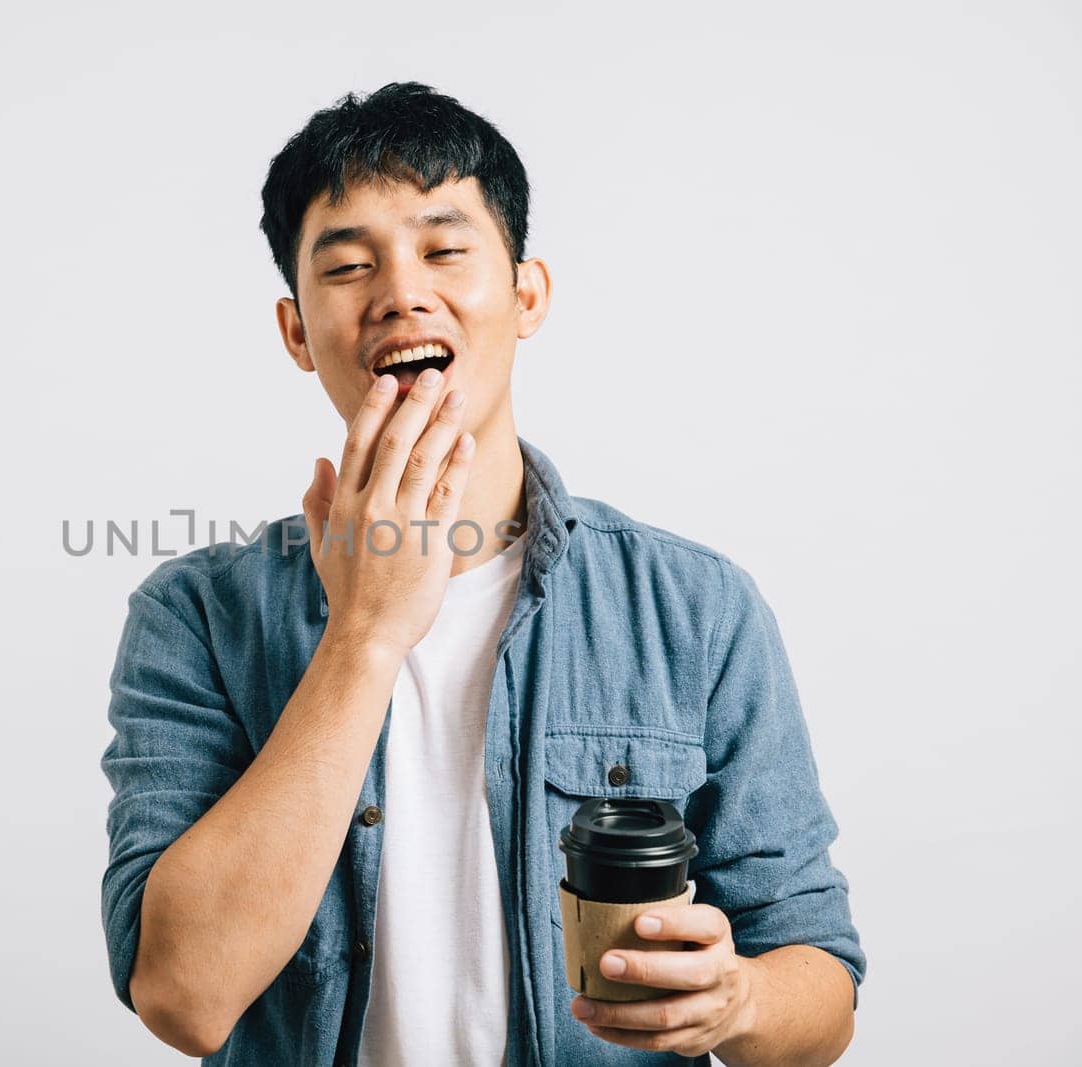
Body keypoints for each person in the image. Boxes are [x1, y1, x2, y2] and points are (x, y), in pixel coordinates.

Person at [99, 82, 864, 1066]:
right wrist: (364, 636)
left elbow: (821, 991)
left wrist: (738, 999)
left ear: (527, 295)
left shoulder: (693, 606)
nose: (399, 292)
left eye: (444, 247)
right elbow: (183, 994)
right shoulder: (194, 613)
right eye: (347, 264)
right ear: (297, 331)